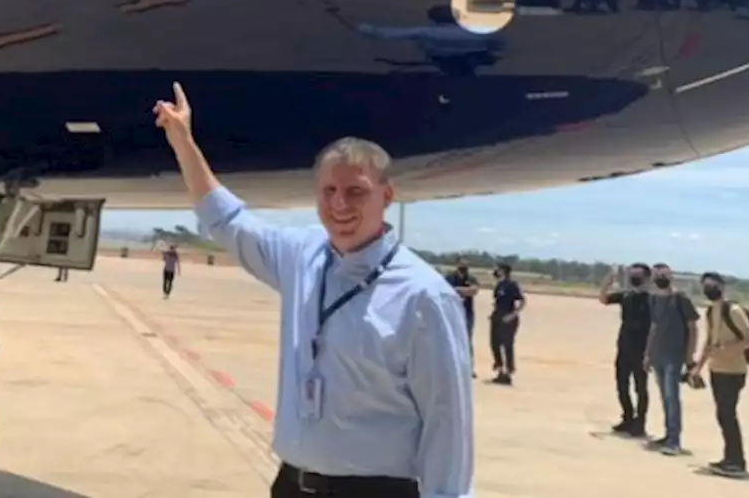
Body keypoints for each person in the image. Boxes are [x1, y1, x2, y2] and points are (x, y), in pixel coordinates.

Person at [153, 82, 473, 498]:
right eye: (329, 191)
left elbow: (447, 422)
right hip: (292, 485)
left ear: (387, 196)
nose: (340, 204)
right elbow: (226, 220)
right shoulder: (301, 256)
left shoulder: (424, 296)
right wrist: (183, 141)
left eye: (356, 191)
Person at [691, 272, 749, 477]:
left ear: (722, 287)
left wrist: (727, 349)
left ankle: (737, 461)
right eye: (705, 286)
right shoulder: (710, 311)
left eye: (712, 285)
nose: (708, 289)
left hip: (734, 371)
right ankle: (730, 458)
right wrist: (697, 368)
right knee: (723, 415)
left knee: (727, 414)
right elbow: (709, 342)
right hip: (716, 370)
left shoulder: (733, 310)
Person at [642, 262, 699, 455]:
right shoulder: (654, 299)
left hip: (675, 355)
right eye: (657, 275)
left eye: (663, 275)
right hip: (658, 354)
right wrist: (648, 354)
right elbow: (654, 326)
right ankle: (668, 434)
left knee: (672, 396)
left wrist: (690, 356)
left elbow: (693, 327)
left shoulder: (681, 299)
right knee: (665, 397)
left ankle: (674, 440)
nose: (660, 278)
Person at [598, 263, 652, 436]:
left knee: (640, 388)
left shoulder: (652, 300)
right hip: (624, 346)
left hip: (642, 349)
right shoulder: (625, 296)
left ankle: (640, 422)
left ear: (647, 278)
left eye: (638, 275)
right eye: (632, 275)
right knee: (622, 385)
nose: (634, 279)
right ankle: (627, 417)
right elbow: (603, 299)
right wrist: (608, 280)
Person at [488, 263, 524, 385]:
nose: (495, 271)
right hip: (497, 317)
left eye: (497, 269)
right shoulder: (499, 285)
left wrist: (513, 315)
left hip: (508, 318)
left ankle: (508, 372)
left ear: (503, 271)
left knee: (507, 345)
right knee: (494, 344)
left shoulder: (512, 285)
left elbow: (522, 301)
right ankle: (500, 369)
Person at [444, 257, 479, 377]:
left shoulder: (471, 278)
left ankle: (469, 368)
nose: (464, 267)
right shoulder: (449, 277)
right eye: (462, 264)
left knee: (467, 341)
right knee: (451, 339)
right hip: (452, 312)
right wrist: (465, 291)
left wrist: (457, 290)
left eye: (466, 264)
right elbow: (445, 290)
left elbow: (474, 291)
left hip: (467, 313)